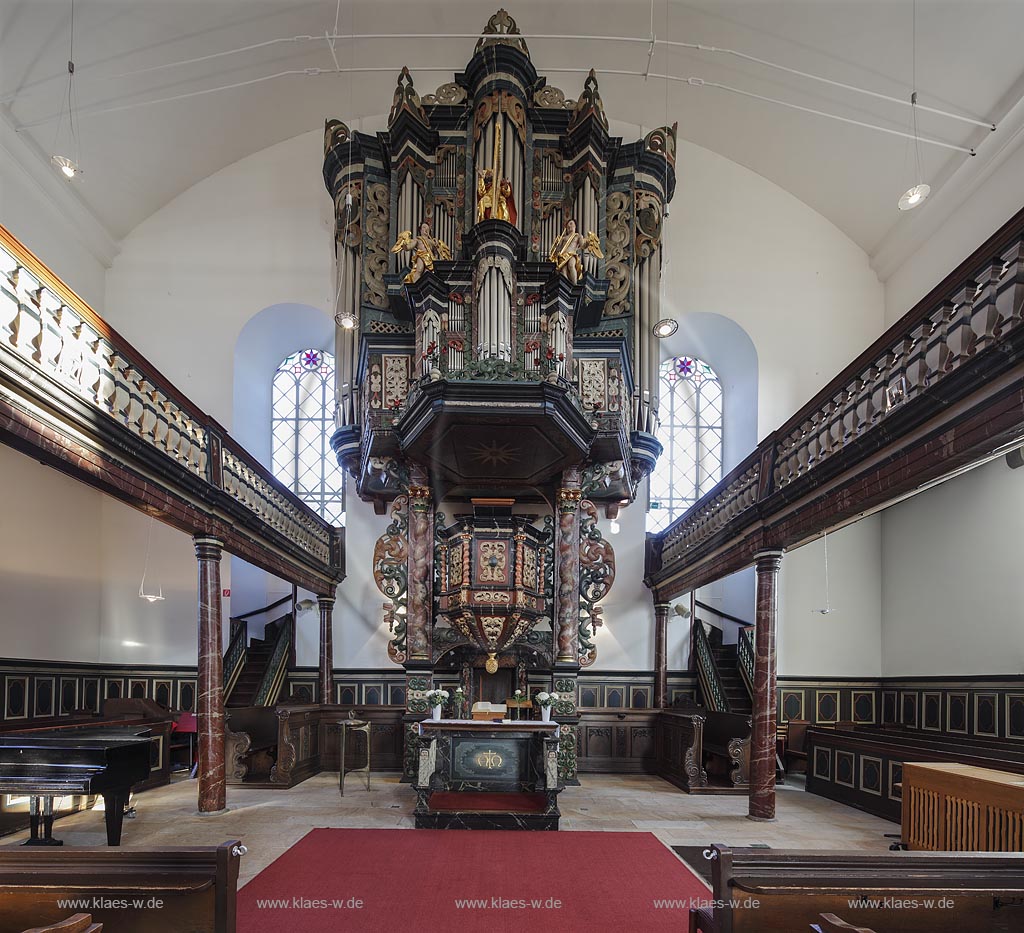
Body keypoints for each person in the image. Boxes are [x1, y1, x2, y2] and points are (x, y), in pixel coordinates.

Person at [549, 218, 602, 285]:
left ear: (575, 226)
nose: (569, 226)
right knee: (563, 272)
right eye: (568, 225)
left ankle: (575, 285)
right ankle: (567, 286)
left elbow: (583, 246)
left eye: (571, 223)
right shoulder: (563, 238)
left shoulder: (578, 236)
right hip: (563, 256)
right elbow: (558, 249)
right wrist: (557, 243)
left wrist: (588, 242)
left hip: (571, 255)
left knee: (571, 265)